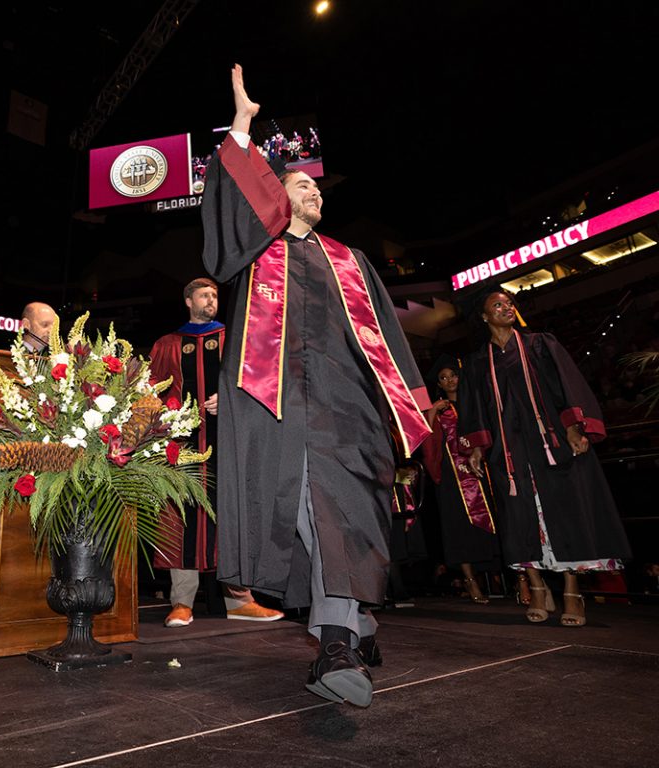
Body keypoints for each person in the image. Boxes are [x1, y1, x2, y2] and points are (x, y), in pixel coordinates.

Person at [201, 65, 431, 707]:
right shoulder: (252, 260)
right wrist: (242, 130)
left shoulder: (351, 262)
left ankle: (348, 625)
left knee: (345, 514)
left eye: (316, 189)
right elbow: (227, 223)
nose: (313, 194)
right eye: (299, 185)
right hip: (275, 406)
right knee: (301, 509)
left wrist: (408, 411)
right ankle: (341, 635)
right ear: (276, 197)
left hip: (346, 411)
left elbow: (388, 341)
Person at [460, 289, 632, 626]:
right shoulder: (478, 361)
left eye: (509, 303)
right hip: (509, 453)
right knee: (521, 517)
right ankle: (537, 587)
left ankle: (572, 590)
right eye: (498, 305)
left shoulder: (540, 344)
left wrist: (573, 427)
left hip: (550, 444)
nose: (507, 307)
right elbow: (475, 409)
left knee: (566, 512)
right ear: (484, 316)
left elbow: (566, 386)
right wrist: (478, 447)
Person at [148, 278, 284, 626]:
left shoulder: (233, 339)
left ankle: (240, 599)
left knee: (233, 514)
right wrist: (170, 411)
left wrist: (230, 401)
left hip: (230, 444)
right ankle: (182, 601)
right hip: (182, 446)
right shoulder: (167, 344)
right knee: (182, 518)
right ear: (188, 299)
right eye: (204, 295)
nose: (211, 300)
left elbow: (261, 383)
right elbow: (148, 393)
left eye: (214, 295)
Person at [421, 354, 501, 605]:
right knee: (459, 528)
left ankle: (513, 579)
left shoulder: (476, 401)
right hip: (452, 477)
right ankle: (470, 580)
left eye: (452, 375)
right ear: (440, 385)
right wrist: (432, 411)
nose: (449, 380)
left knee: (496, 523)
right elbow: (422, 438)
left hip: (482, 472)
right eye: (443, 378)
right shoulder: (440, 409)